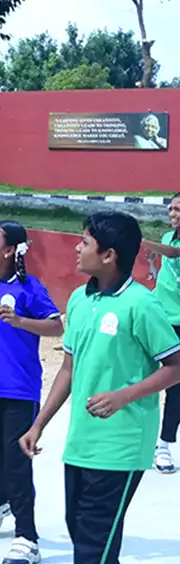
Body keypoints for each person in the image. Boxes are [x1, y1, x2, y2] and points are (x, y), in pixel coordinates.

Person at [20, 211, 180, 564]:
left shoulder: (141, 304)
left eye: (85, 243)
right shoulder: (78, 299)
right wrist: (38, 424)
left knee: (95, 545)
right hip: (80, 442)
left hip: (121, 445)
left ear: (109, 255)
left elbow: (176, 365)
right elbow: (67, 369)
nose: (77, 248)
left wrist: (124, 395)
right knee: (81, 533)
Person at [0, 221, 63, 564]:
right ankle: (0, 501)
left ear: (10, 250)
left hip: (20, 390)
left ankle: (27, 537)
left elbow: (56, 325)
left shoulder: (28, 287)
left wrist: (21, 321)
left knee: (16, 464)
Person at [143, 192, 180, 474]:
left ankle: (165, 445)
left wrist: (140, 242)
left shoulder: (170, 245)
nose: (173, 214)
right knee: (143, 377)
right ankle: (139, 439)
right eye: (172, 209)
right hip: (159, 319)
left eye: (178, 210)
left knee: (176, 386)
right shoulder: (169, 236)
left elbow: (175, 254)